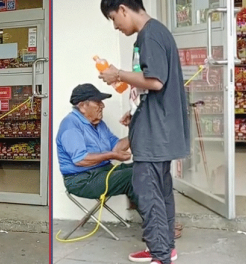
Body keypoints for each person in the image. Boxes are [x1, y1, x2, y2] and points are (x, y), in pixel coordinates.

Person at [99, 1, 191, 264]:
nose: (116, 26)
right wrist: (136, 109)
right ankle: (164, 248)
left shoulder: (150, 35)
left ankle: (160, 255)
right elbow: (151, 87)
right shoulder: (154, 33)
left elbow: (156, 80)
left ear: (124, 9)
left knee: (147, 193)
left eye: (114, 18)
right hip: (156, 127)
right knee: (160, 192)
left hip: (155, 133)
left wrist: (119, 74)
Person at [56, 83, 135, 204]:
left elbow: (116, 147)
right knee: (132, 176)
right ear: (82, 106)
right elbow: (80, 160)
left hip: (103, 171)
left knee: (145, 167)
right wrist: (111, 156)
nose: (102, 106)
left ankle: (156, 218)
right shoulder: (71, 125)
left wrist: (135, 128)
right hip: (81, 180)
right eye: (98, 102)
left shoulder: (99, 124)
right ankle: (154, 220)